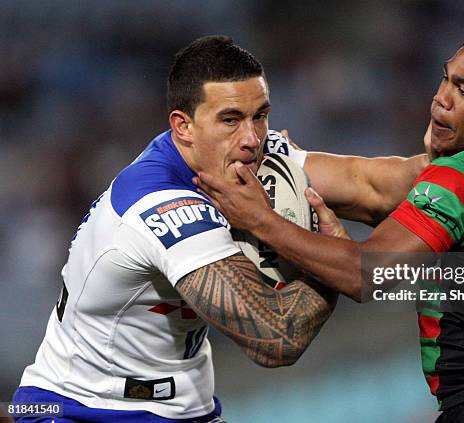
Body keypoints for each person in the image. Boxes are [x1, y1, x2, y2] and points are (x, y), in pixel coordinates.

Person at [12, 35, 422, 423]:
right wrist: (325, 255)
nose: (252, 138)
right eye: (231, 119)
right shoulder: (161, 204)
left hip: (183, 406)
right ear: (183, 127)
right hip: (84, 408)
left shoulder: (240, 158)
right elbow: (277, 337)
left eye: (260, 116)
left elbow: (375, 186)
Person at [195, 13, 464, 422]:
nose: (441, 98)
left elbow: (371, 275)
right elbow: (377, 199)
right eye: (446, 79)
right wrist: (286, 167)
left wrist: (260, 220)